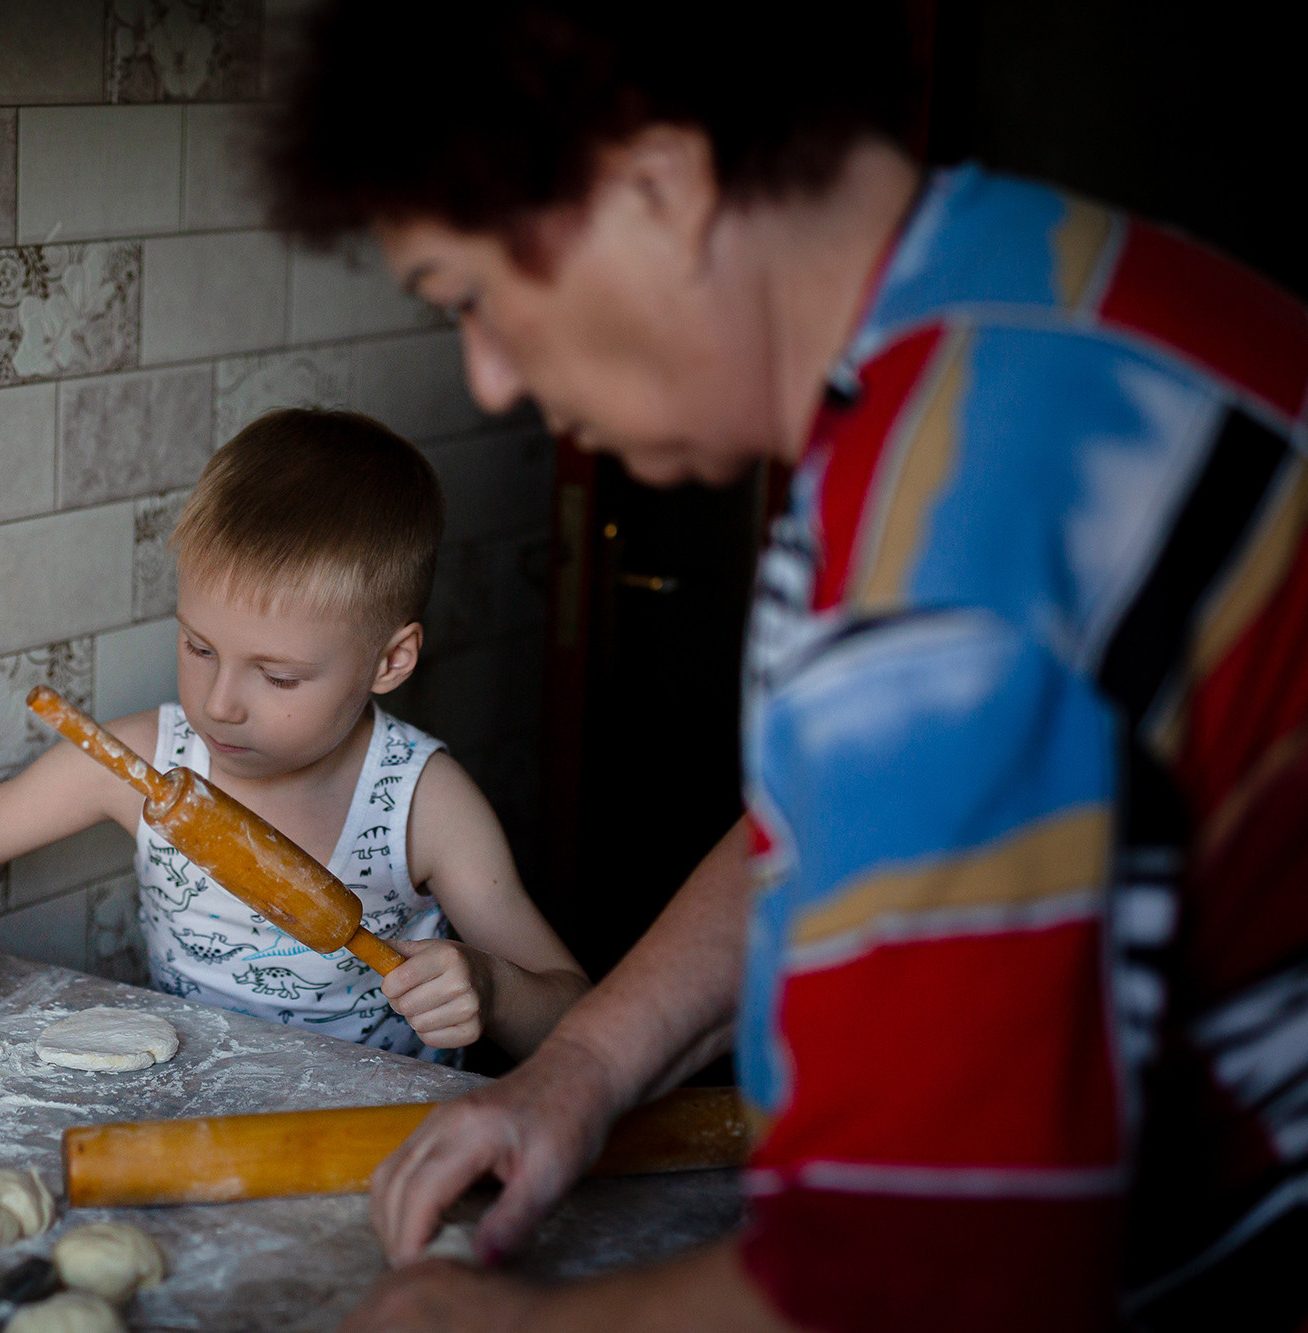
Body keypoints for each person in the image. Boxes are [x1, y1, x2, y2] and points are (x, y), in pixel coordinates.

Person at [264, 3, 1308, 1330]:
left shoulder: (941, 541)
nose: (486, 379)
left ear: (660, 185)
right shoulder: (1015, 287)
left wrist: (510, 1327)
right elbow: (831, 827)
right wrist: (578, 1068)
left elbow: (925, 1279)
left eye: (473, 297)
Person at [0, 408, 590, 1074]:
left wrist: (491, 989)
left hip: (381, 1156)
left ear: (390, 660)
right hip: (193, 1123)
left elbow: (581, 1020)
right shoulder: (145, 764)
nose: (219, 704)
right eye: (198, 646)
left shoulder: (425, 803)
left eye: (279, 677)